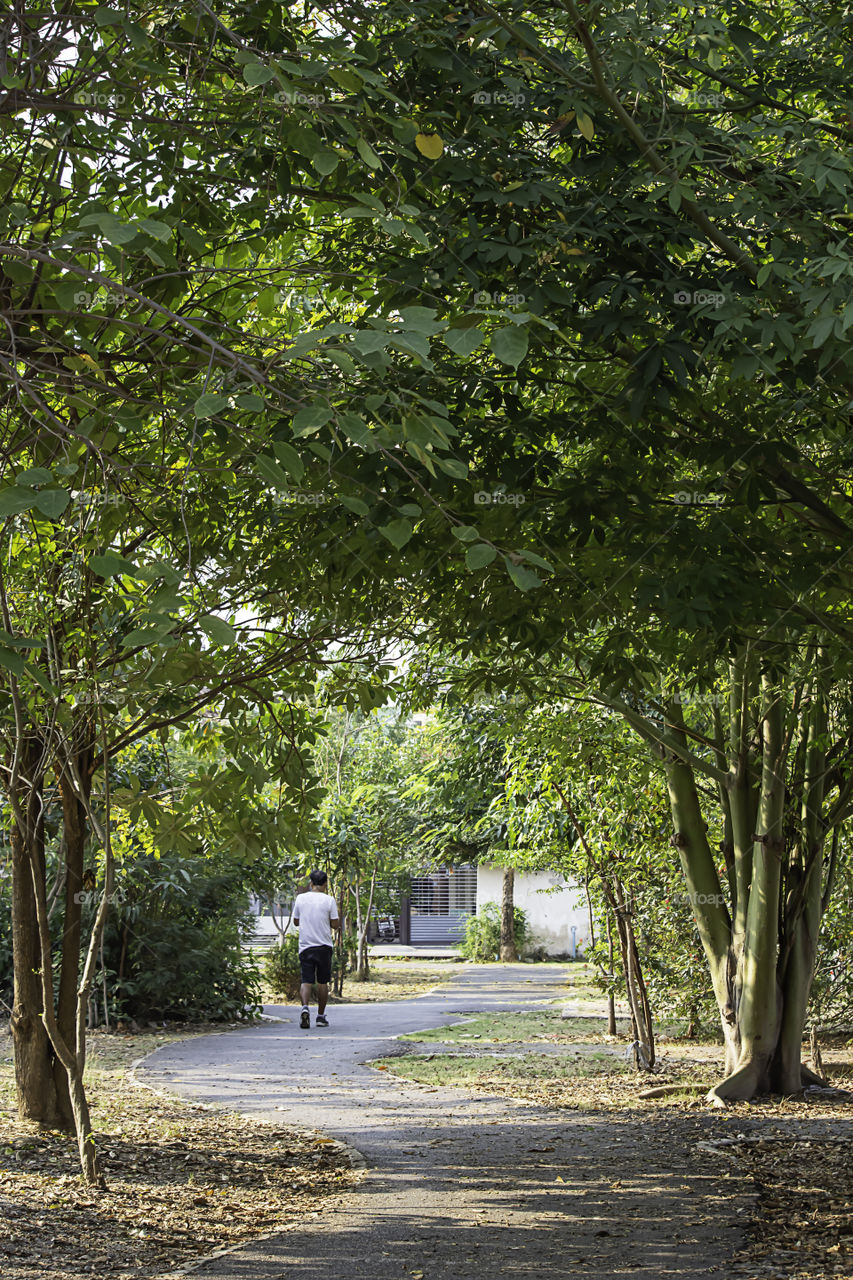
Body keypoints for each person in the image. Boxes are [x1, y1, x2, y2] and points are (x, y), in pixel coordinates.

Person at [291, 870, 341, 1028]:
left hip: (306, 946)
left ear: (310, 884)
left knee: (306, 981)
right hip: (324, 946)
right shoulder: (329, 900)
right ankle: (320, 1016)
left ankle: (305, 1008)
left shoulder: (301, 898)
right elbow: (335, 924)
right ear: (325, 884)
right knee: (323, 982)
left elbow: (296, 921)